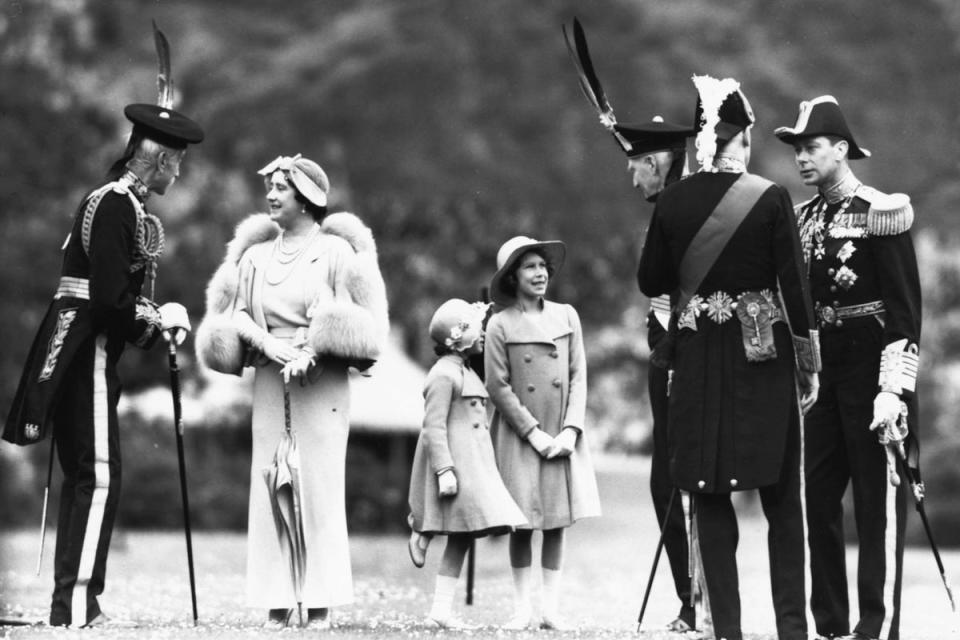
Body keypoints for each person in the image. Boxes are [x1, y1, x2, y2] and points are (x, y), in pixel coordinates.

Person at [3, 102, 203, 627]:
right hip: (87, 350)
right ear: (159, 160)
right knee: (98, 477)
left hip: (79, 345)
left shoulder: (116, 202)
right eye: (177, 163)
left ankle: (75, 603)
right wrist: (159, 321)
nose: (179, 174)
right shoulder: (117, 205)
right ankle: (73, 608)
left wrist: (150, 319)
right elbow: (112, 302)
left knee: (85, 476)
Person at [637, 76, 820, 640]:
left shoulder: (671, 200)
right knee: (783, 503)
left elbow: (651, 279)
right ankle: (792, 629)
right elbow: (795, 286)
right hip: (762, 363)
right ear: (738, 142)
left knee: (710, 499)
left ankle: (728, 632)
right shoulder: (769, 197)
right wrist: (808, 363)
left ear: (699, 141)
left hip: (696, 365)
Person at [195, 154, 389, 629]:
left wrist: (308, 353)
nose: (272, 194)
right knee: (269, 486)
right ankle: (277, 600)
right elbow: (237, 312)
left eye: (282, 187)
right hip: (268, 378)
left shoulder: (337, 253)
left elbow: (342, 316)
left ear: (307, 199)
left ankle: (319, 601)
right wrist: (266, 345)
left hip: (319, 382)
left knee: (317, 487)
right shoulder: (256, 255)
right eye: (270, 186)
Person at [775, 96, 921, 640]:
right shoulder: (802, 218)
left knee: (875, 501)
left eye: (811, 147)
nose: (802, 159)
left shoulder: (881, 210)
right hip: (821, 375)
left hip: (871, 370)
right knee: (817, 500)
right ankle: (831, 624)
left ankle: (873, 627)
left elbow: (905, 313)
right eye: (797, 150)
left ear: (841, 149)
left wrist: (893, 390)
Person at [484, 235, 601, 631]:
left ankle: (550, 608)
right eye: (529, 267)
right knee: (522, 523)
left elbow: (579, 376)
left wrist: (570, 430)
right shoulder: (500, 325)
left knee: (555, 520)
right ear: (513, 276)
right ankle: (521, 607)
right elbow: (497, 387)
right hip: (521, 436)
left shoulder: (567, 316)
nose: (539, 273)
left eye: (542, 266)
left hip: (561, 432)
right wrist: (533, 434)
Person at [614, 116, 699, 633]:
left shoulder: (686, 206)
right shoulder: (668, 206)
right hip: (661, 347)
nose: (632, 179)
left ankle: (699, 599)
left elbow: (655, 279)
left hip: (687, 349)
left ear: (653, 163)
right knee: (662, 482)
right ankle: (688, 596)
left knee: (682, 479)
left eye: (635, 168)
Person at [406, 298, 528, 629]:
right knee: (463, 524)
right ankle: (421, 531)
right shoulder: (444, 375)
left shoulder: (466, 371)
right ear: (457, 338)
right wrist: (444, 468)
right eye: (477, 327)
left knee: (465, 531)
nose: (484, 332)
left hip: (475, 461)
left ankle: (440, 609)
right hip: (456, 463)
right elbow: (433, 427)